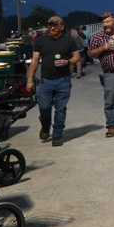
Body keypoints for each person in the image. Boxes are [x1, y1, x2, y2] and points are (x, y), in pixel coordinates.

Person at [26, 16, 82, 147]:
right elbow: (34, 61)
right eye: (49, 24)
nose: (51, 27)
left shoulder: (69, 40)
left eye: (54, 25)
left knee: (60, 109)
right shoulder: (40, 41)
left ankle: (57, 135)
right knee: (44, 108)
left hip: (63, 81)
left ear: (62, 27)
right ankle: (45, 127)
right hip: (46, 81)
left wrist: (68, 61)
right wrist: (30, 80)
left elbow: (77, 57)